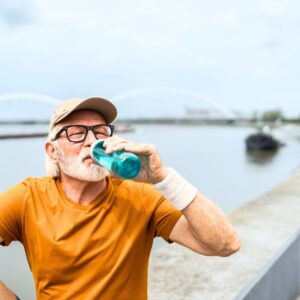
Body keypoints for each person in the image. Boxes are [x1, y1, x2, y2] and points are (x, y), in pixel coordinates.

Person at [0, 97, 240, 300]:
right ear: (52, 151)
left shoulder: (140, 197)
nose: (92, 141)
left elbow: (225, 245)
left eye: (100, 132)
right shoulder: (28, 198)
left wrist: (164, 178)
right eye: (76, 133)